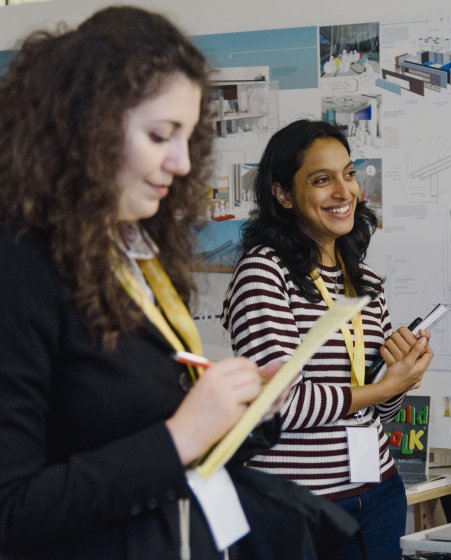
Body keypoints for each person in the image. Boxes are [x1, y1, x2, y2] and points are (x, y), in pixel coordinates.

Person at [0, 8, 357, 560]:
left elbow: (131, 439)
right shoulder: (20, 268)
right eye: (160, 135)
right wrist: (181, 437)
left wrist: (242, 417)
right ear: (82, 126)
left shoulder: (129, 257)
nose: (181, 162)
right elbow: (12, 513)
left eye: (188, 138)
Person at [222, 119, 434, 560]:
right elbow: (280, 401)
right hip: (298, 503)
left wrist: (401, 375)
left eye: (349, 174)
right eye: (323, 180)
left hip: (378, 492)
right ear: (282, 194)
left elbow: (380, 407)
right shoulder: (264, 272)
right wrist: (384, 386)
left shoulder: (366, 278)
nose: (344, 192)